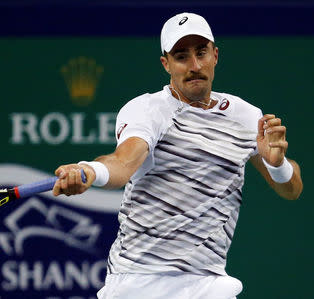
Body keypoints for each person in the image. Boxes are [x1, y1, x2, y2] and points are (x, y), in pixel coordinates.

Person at [52, 12, 303, 299]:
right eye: (182, 56)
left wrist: (278, 164)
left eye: (202, 53)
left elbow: (292, 190)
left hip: (209, 284)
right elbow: (122, 162)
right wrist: (89, 171)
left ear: (215, 55)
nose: (195, 65)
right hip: (139, 283)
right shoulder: (149, 110)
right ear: (166, 64)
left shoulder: (245, 117)